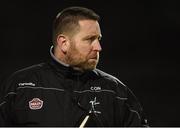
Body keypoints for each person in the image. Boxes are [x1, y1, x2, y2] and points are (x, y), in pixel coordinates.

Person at [0, 6, 148, 127]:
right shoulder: (20, 86)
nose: (98, 47)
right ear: (64, 43)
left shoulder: (115, 91)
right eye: (90, 39)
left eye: (98, 39)